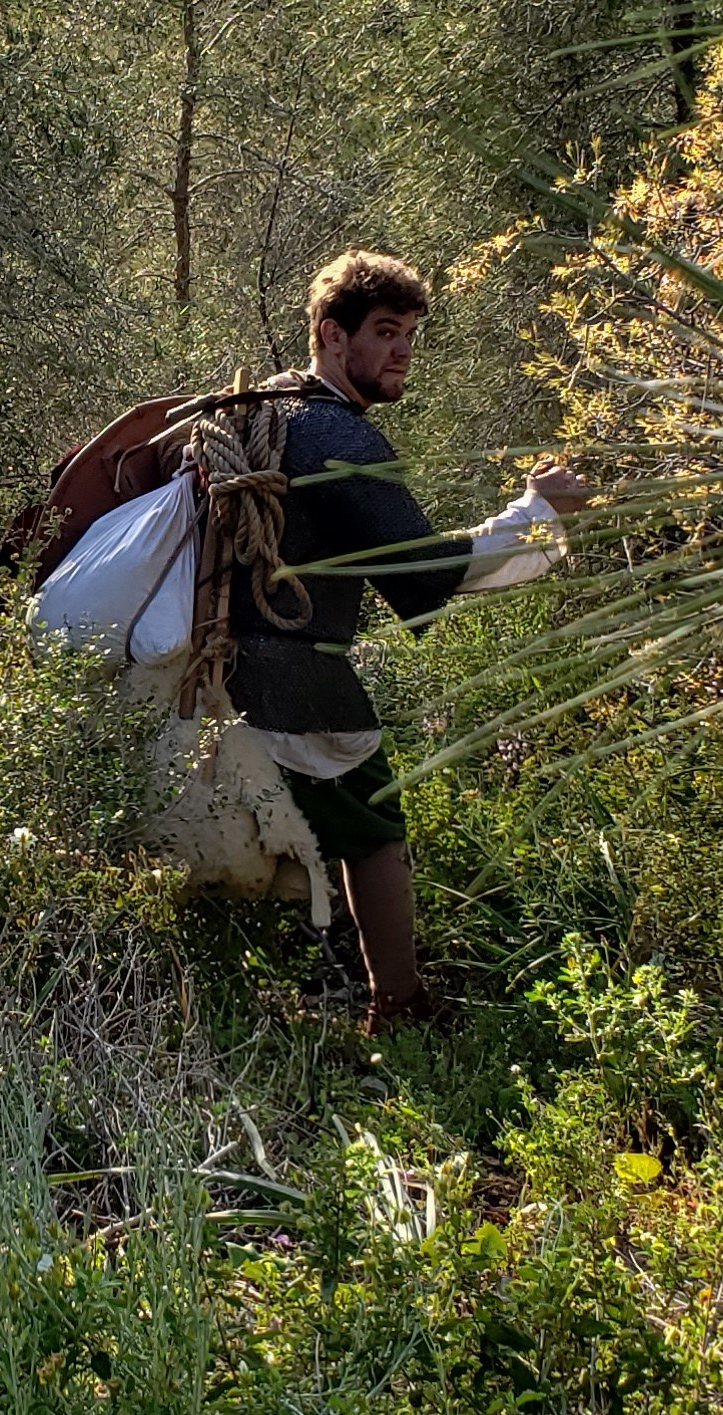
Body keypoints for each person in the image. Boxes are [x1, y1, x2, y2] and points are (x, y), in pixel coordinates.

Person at [225, 246, 589, 1034]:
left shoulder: (269, 412)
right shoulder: (334, 433)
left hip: (223, 670)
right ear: (332, 335)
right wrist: (537, 515)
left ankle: (267, 1002)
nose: (402, 352)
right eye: (385, 331)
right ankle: (398, 1006)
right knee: (377, 830)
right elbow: (421, 574)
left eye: (410, 335)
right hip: (296, 681)